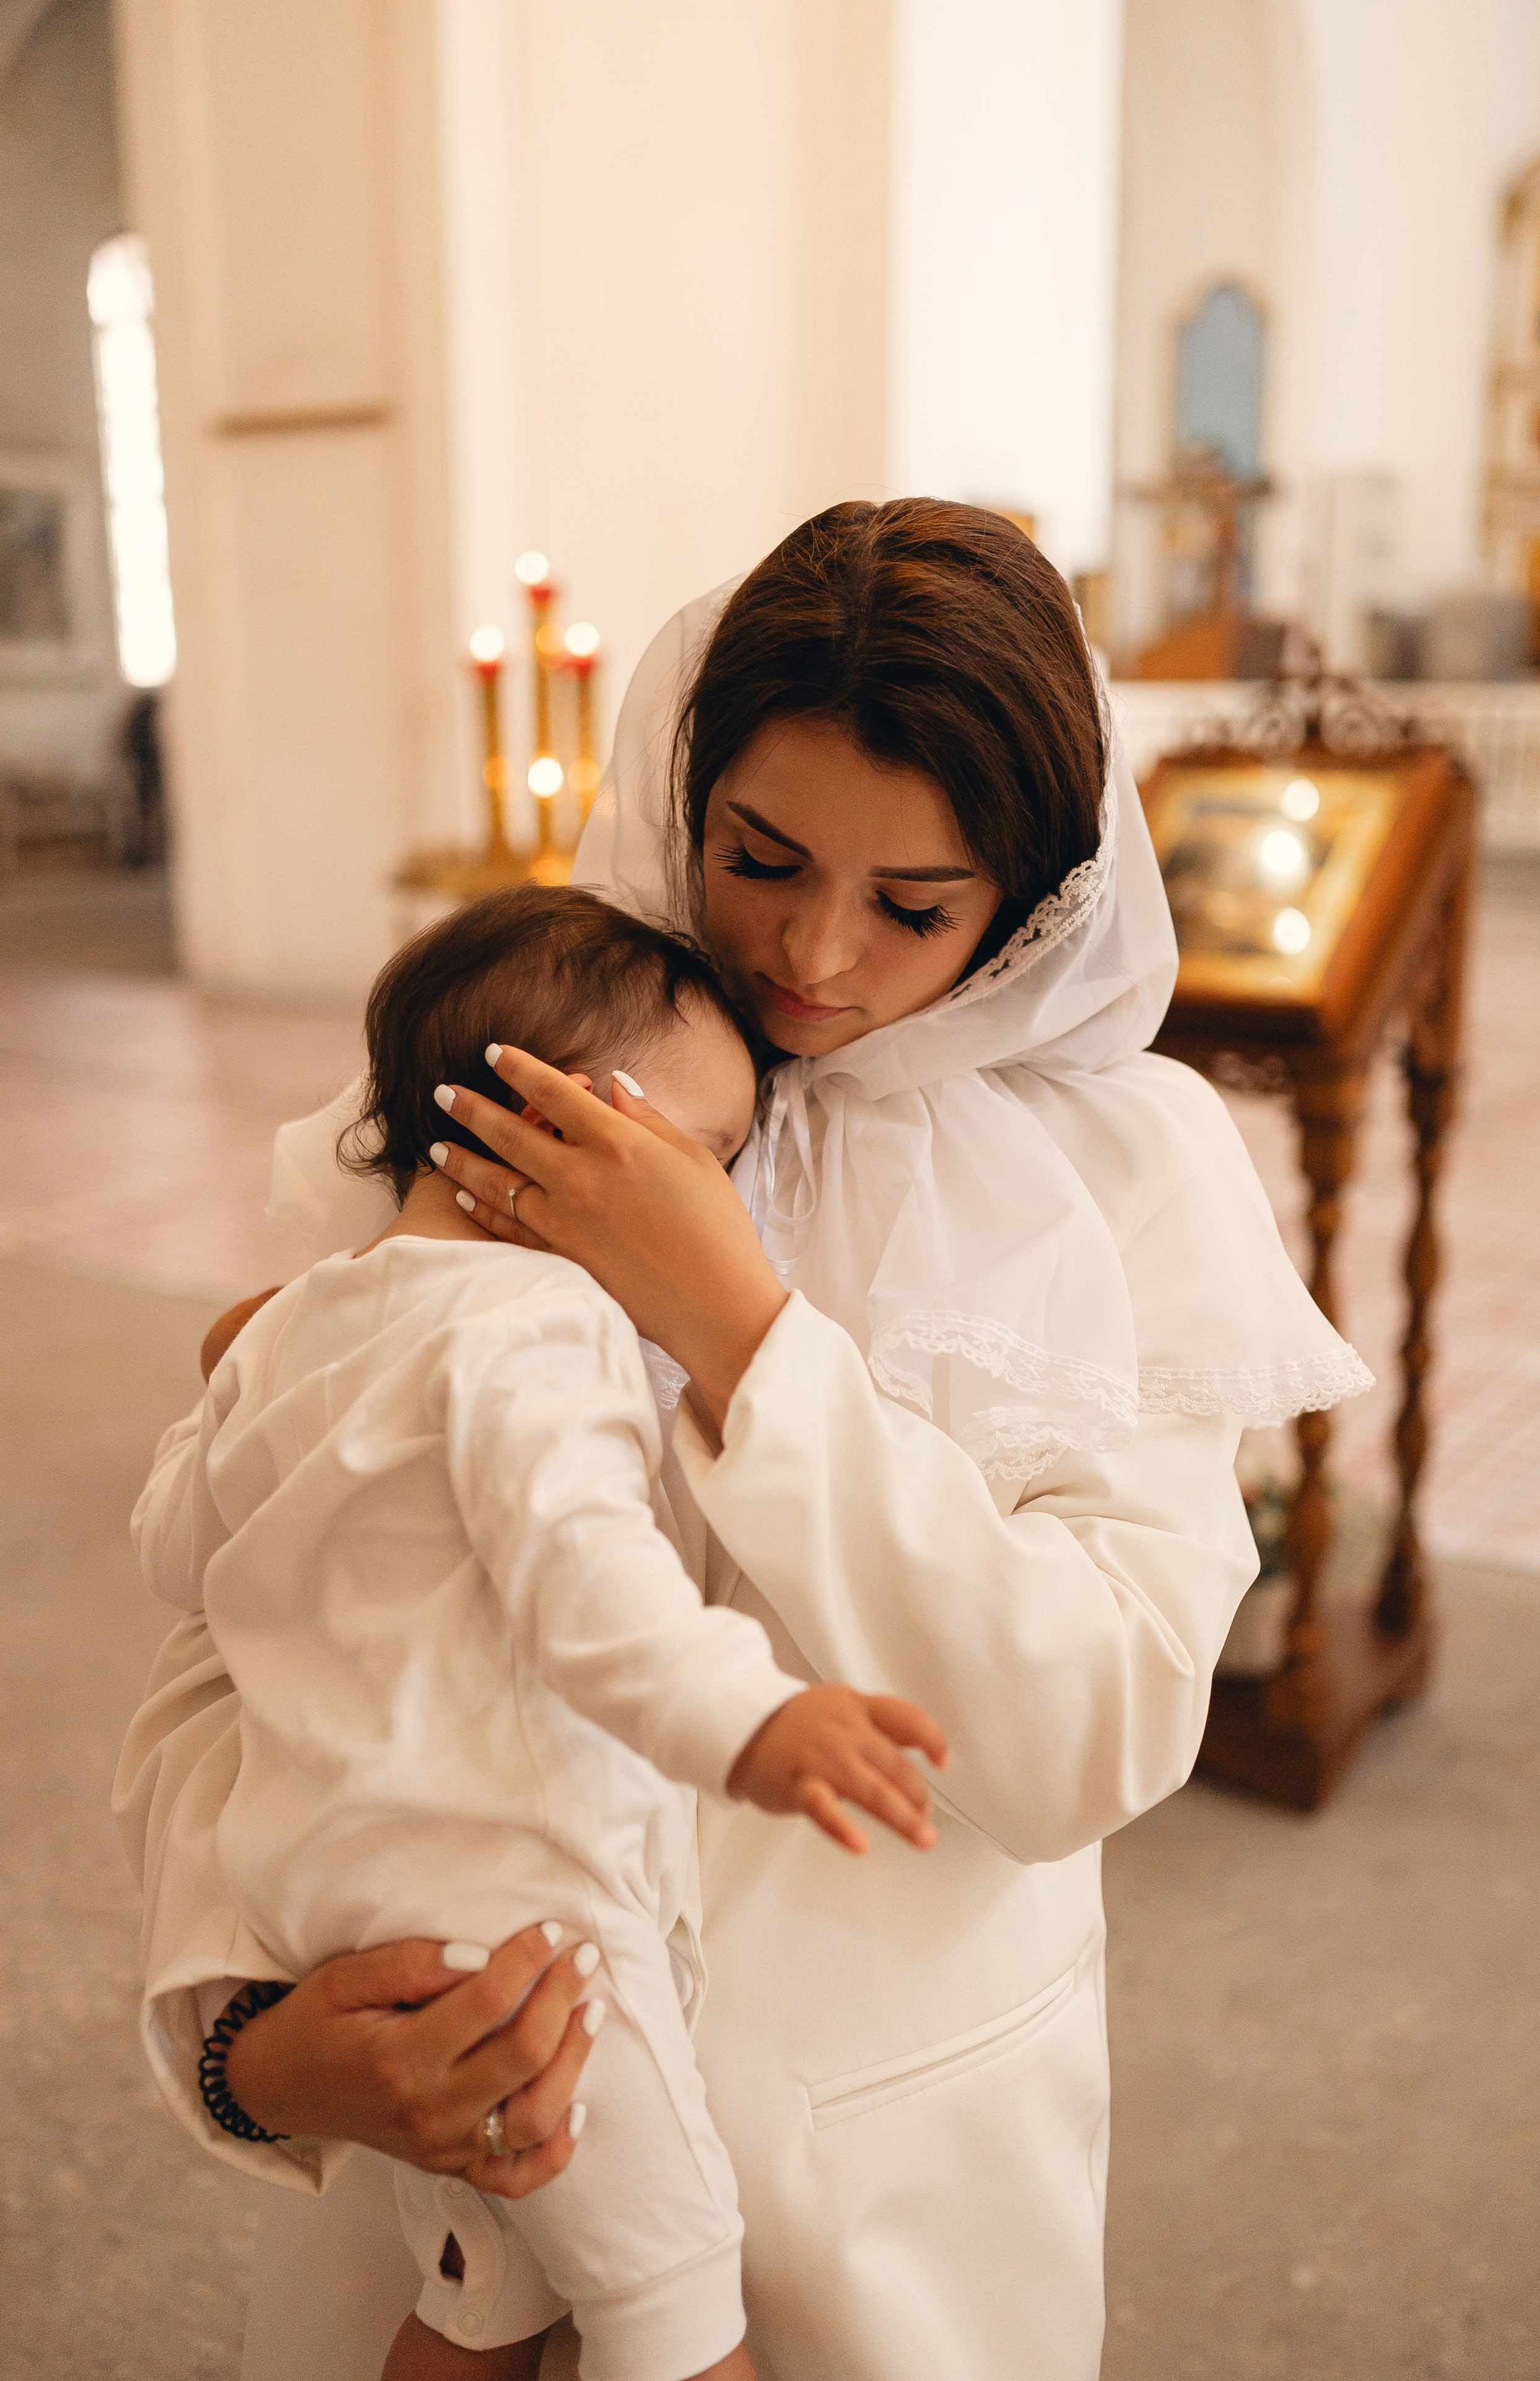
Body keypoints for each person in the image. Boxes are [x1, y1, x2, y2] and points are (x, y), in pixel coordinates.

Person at [116, 500, 1371, 2381]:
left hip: (864, 2170)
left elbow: (1091, 1729)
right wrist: (246, 2037)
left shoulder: (1129, 1181)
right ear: (687, 790)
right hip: (450, 2132)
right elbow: (267, 1611)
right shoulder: (540, 1059)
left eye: (915, 905)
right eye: (760, 855)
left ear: (1027, 897)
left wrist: (746, 1336)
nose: (813, 954)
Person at [131, 885, 946, 2381]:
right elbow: (592, 1582)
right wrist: (754, 1721)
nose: (711, 1204)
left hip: (347, 1917)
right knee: (679, 2306)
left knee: (479, 2304)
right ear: (543, 1127)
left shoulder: (296, 1324)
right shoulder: (534, 1326)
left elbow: (177, 1554)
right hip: (530, 1932)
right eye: (692, 1160)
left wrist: (228, 1399)